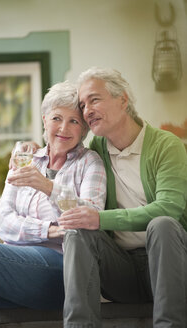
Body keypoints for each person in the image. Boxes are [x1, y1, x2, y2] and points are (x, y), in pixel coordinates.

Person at [56, 68, 187, 328]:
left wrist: (100, 218)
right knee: (76, 230)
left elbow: (169, 209)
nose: (87, 110)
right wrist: (34, 147)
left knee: (162, 224)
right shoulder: (94, 152)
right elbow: (61, 152)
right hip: (122, 271)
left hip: (167, 266)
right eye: (83, 105)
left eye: (94, 99)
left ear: (123, 100)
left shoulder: (166, 145)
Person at [0, 81, 107, 327]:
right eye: (57, 118)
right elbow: (4, 223)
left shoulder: (89, 163)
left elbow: (91, 214)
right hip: (14, 268)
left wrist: (47, 186)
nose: (64, 128)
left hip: (61, 271)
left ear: (84, 129)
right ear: (45, 120)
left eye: (74, 121)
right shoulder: (25, 159)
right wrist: (50, 230)